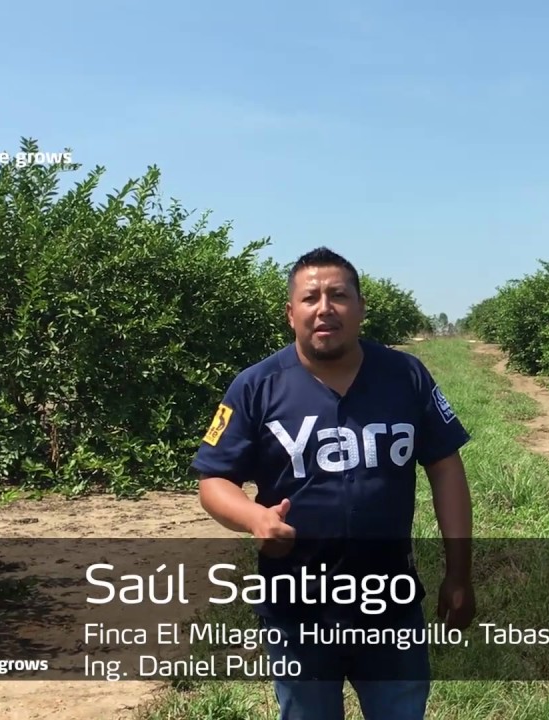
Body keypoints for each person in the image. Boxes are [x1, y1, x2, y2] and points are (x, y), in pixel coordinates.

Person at [192, 247, 475, 719]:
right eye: (311, 298)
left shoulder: (405, 376)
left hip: (391, 604)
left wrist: (459, 573)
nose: (325, 308)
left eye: (339, 295)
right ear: (291, 313)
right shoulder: (256, 386)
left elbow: (445, 467)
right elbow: (214, 480)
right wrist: (255, 518)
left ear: (360, 308)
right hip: (297, 610)